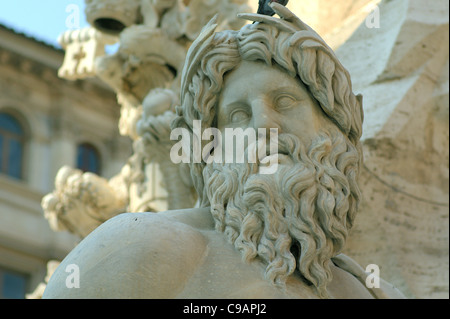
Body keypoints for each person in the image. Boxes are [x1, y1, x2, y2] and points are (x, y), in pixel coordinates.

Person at [43, 3, 404, 299]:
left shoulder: (376, 294)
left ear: (335, 128)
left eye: (284, 101)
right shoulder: (140, 247)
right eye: (237, 114)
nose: (264, 125)